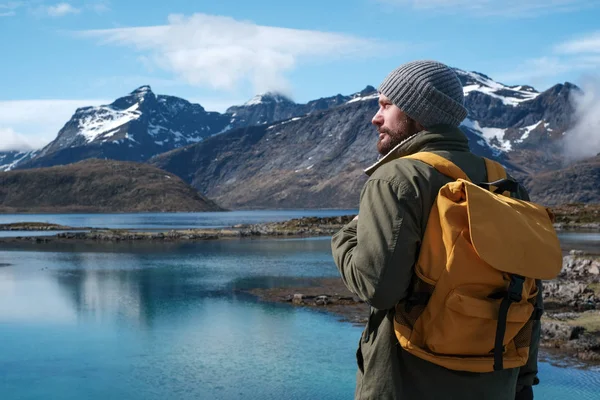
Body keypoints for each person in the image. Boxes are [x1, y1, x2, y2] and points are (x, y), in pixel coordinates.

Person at [331, 60, 541, 400]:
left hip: (405, 384)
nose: (376, 117)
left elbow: (377, 288)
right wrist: (524, 381)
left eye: (386, 104)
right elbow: (529, 296)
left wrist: (345, 238)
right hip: (494, 384)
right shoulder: (506, 184)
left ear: (417, 111)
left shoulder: (397, 179)